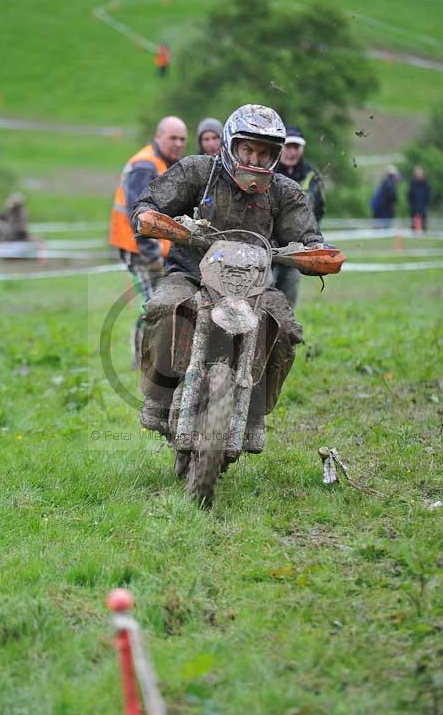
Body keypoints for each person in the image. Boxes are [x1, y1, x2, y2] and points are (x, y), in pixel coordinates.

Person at [132, 104, 324, 454]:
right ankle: (159, 396)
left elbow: (308, 235)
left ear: (276, 155)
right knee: (164, 307)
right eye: (248, 149)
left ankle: (253, 413)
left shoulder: (284, 191)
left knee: (283, 326)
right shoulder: (198, 171)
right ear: (231, 145)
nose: (254, 158)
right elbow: (149, 200)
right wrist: (149, 216)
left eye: (264, 152)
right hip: (191, 272)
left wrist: (317, 251)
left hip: (253, 286)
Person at [109, 116, 187, 365]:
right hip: (139, 248)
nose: (178, 144)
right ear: (158, 136)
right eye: (172, 138)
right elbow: (139, 217)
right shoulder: (146, 165)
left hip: (151, 248)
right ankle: (144, 358)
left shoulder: (164, 163)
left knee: (157, 301)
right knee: (158, 303)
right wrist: (151, 255)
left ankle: (148, 357)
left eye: (182, 139)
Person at [274, 125, 325, 307]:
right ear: (280, 147)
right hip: (268, 248)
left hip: (296, 252)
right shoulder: (268, 171)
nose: (291, 152)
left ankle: (283, 335)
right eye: (288, 146)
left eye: (296, 147)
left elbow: (319, 210)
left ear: (302, 149)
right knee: (262, 299)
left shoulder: (312, 176)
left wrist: (309, 240)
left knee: (287, 304)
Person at [408, 165, 431, 231]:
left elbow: (429, 195)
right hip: (414, 207)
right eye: (417, 173)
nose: (418, 174)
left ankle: (424, 231)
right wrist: (411, 204)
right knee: (414, 224)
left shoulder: (426, 183)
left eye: (420, 173)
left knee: (423, 224)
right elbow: (409, 194)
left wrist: (426, 204)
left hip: (423, 206)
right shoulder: (412, 183)